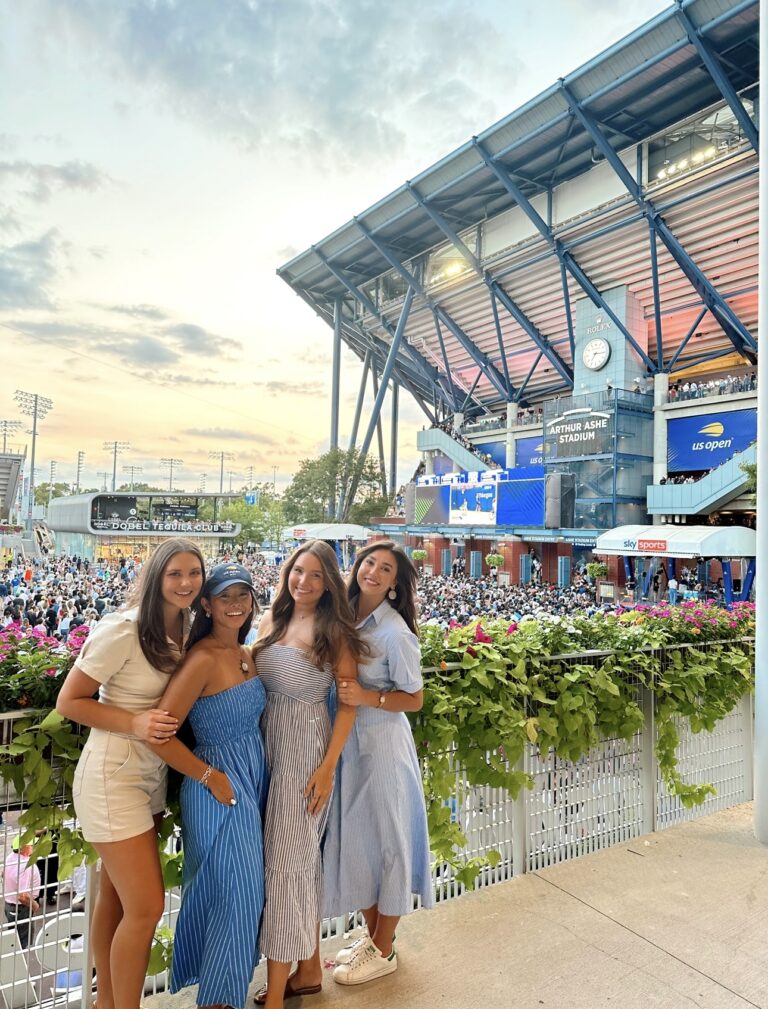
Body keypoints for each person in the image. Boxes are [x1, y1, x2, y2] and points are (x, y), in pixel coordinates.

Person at [56, 538, 205, 1009]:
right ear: (157, 575)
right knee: (147, 907)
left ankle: (106, 1004)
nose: (185, 583)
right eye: (175, 574)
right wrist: (135, 722)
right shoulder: (121, 629)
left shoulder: (189, 627)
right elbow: (69, 701)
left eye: (194, 573)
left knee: (118, 901)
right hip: (111, 775)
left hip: (151, 777)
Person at [149, 561, 268, 1009]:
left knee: (240, 897)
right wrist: (210, 777)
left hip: (249, 783)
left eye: (243, 595)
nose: (235, 605)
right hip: (218, 787)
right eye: (224, 597)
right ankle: (218, 1002)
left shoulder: (245, 652)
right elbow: (160, 734)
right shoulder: (201, 659)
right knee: (234, 898)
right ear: (206, 604)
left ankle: (223, 997)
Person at [252, 541, 363, 1009]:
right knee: (290, 865)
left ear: (329, 582)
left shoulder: (334, 631)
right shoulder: (271, 619)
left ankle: (277, 995)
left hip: (304, 751)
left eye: (317, 575)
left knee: (287, 869)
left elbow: (349, 703)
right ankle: (308, 969)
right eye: (299, 571)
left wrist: (327, 768)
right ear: (287, 572)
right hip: (262, 749)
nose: (305, 582)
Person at [323, 539, 433, 986]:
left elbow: (416, 697)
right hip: (348, 745)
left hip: (383, 748)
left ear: (393, 584)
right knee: (361, 840)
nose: (373, 572)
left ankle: (384, 947)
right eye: (369, 562)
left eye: (385, 569)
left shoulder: (394, 632)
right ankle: (374, 938)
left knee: (387, 842)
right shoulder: (344, 613)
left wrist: (369, 696)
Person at [2, 836, 41, 949]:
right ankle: (20, 962)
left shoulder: (10, 858)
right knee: (22, 941)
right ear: (24, 848)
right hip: (21, 908)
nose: (33, 847)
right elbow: (23, 896)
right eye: (31, 845)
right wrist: (34, 905)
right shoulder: (24, 865)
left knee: (13, 936)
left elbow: (3, 874)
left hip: (10, 905)